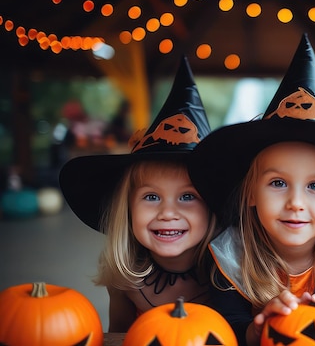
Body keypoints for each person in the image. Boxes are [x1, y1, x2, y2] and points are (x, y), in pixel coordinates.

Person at [187, 34, 315, 346]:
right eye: (277, 183)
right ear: (250, 194)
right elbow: (226, 326)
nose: (296, 202)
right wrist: (255, 330)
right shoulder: (229, 255)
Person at [59, 56, 217, 332]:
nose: (167, 213)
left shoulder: (231, 275)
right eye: (151, 197)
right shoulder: (124, 279)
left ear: (213, 206)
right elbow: (120, 335)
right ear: (128, 208)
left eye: (188, 196)